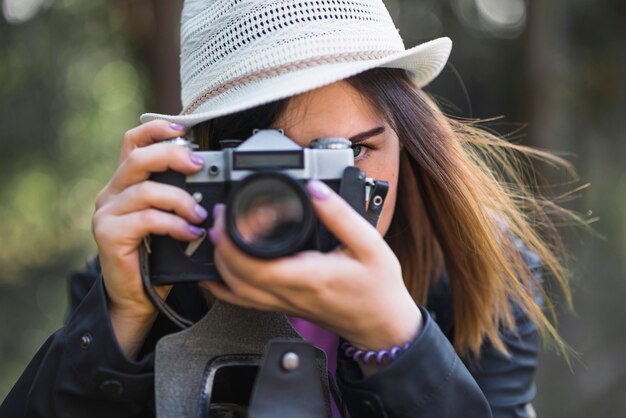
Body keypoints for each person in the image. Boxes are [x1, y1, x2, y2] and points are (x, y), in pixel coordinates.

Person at [1, 0, 574, 417]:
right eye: (267, 168)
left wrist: (398, 341)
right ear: (200, 161)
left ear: (411, 141)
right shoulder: (159, 267)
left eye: (348, 152)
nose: (305, 197)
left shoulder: (480, 271)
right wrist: (116, 324)